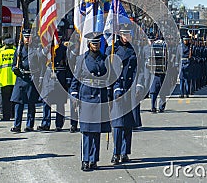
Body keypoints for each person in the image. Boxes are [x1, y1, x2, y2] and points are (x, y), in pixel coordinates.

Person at [69, 32, 112, 171]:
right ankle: (85, 159)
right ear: (89, 44)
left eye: (98, 44)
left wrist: (110, 96)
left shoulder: (105, 58)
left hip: (100, 96)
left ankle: (94, 159)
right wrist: (74, 95)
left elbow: (109, 78)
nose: (96, 46)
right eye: (94, 44)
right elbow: (76, 79)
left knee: (96, 131)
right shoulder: (81, 59)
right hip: (87, 96)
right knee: (87, 131)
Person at [106, 23, 141, 165]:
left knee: (128, 124)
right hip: (118, 90)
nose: (127, 37)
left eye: (129, 35)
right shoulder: (112, 50)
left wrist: (139, 85)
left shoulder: (136, 50)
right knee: (118, 124)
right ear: (119, 35)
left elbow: (140, 70)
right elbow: (108, 72)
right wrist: (112, 88)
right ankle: (116, 152)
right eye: (124, 34)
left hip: (131, 90)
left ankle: (125, 152)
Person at [10, 29, 39, 133]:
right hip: (21, 79)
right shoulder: (18, 50)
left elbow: (40, 65)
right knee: (18, 103)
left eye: (29, 37)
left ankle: (29, 125)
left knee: (31, 104)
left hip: (31, 79)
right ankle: (17, 125)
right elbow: (13, 65)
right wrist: (15, 69)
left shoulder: (36, 50)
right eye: (26, 37)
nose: (27, 39)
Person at [38, 34, 68, 132]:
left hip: (60, 78)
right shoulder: (46, 48)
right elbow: (39, 59)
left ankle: (59, 124)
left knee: (60, 103)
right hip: (48, 78)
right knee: (46, 101)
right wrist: (45, 50)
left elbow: (68, 63)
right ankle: (45, 123)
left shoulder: (63, 48)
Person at [0, 38, 16, 121]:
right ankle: (14, 115)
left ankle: (6, 116)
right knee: (15, 99)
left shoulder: (0, 55)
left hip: (4, 81)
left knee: (5, 100)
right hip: (15, 80)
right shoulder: (16, 54)